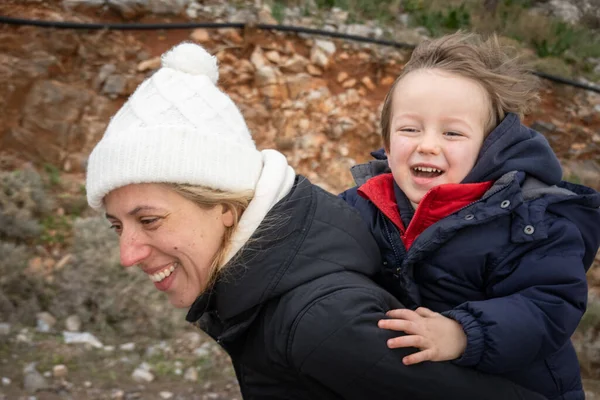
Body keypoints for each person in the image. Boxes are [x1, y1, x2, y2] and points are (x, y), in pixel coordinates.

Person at [85, 41, 547, 400]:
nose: (128, 254)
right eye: (117, 226)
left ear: (225, 207)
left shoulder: (318, 323)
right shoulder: (269, 290)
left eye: (149, 219)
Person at [340, 32, 600, 400]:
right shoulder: (366, 201)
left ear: (490, 147)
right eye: (410, 129)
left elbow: (549, 305)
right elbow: (316, 234)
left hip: (521, 389)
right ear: (386, 141)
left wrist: (463, 333)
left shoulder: (530, 219)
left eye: (452, 133)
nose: (427, 145)